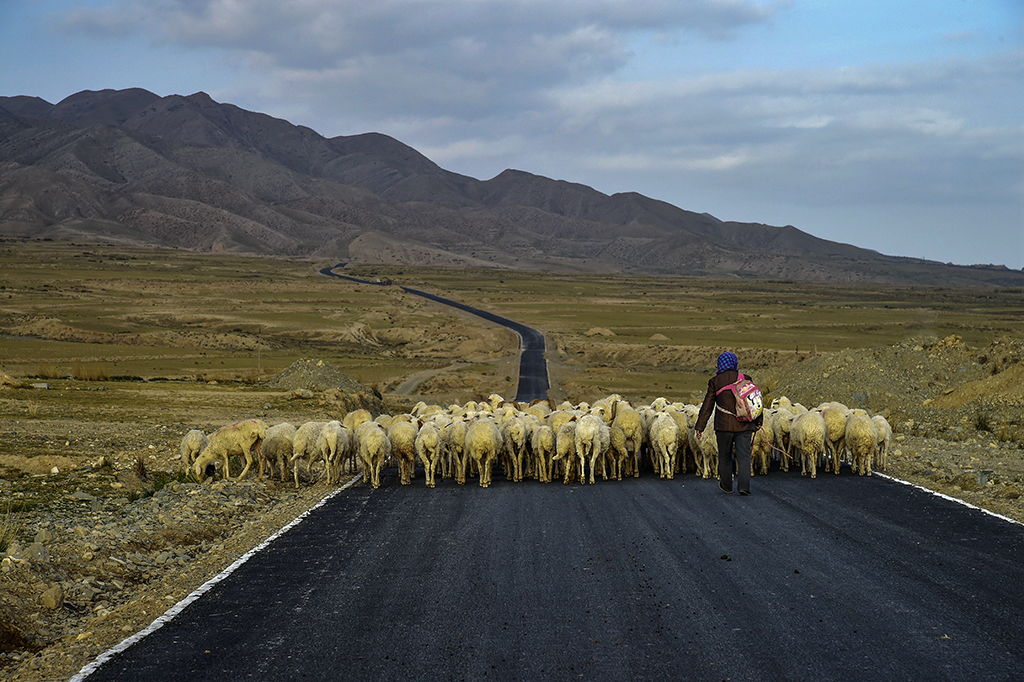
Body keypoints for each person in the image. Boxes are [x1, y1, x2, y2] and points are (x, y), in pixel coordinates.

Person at [694, 352, 763, 495]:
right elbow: (755, 400)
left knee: (724, 455)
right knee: (744, 456)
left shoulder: (715, 381)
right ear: (734, 363)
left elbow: (707, 405)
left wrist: (700, 426)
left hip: (723, 426)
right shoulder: (745, 378)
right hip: (744, 425)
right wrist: (758, 421)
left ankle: (726, 485)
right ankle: (744, 487)